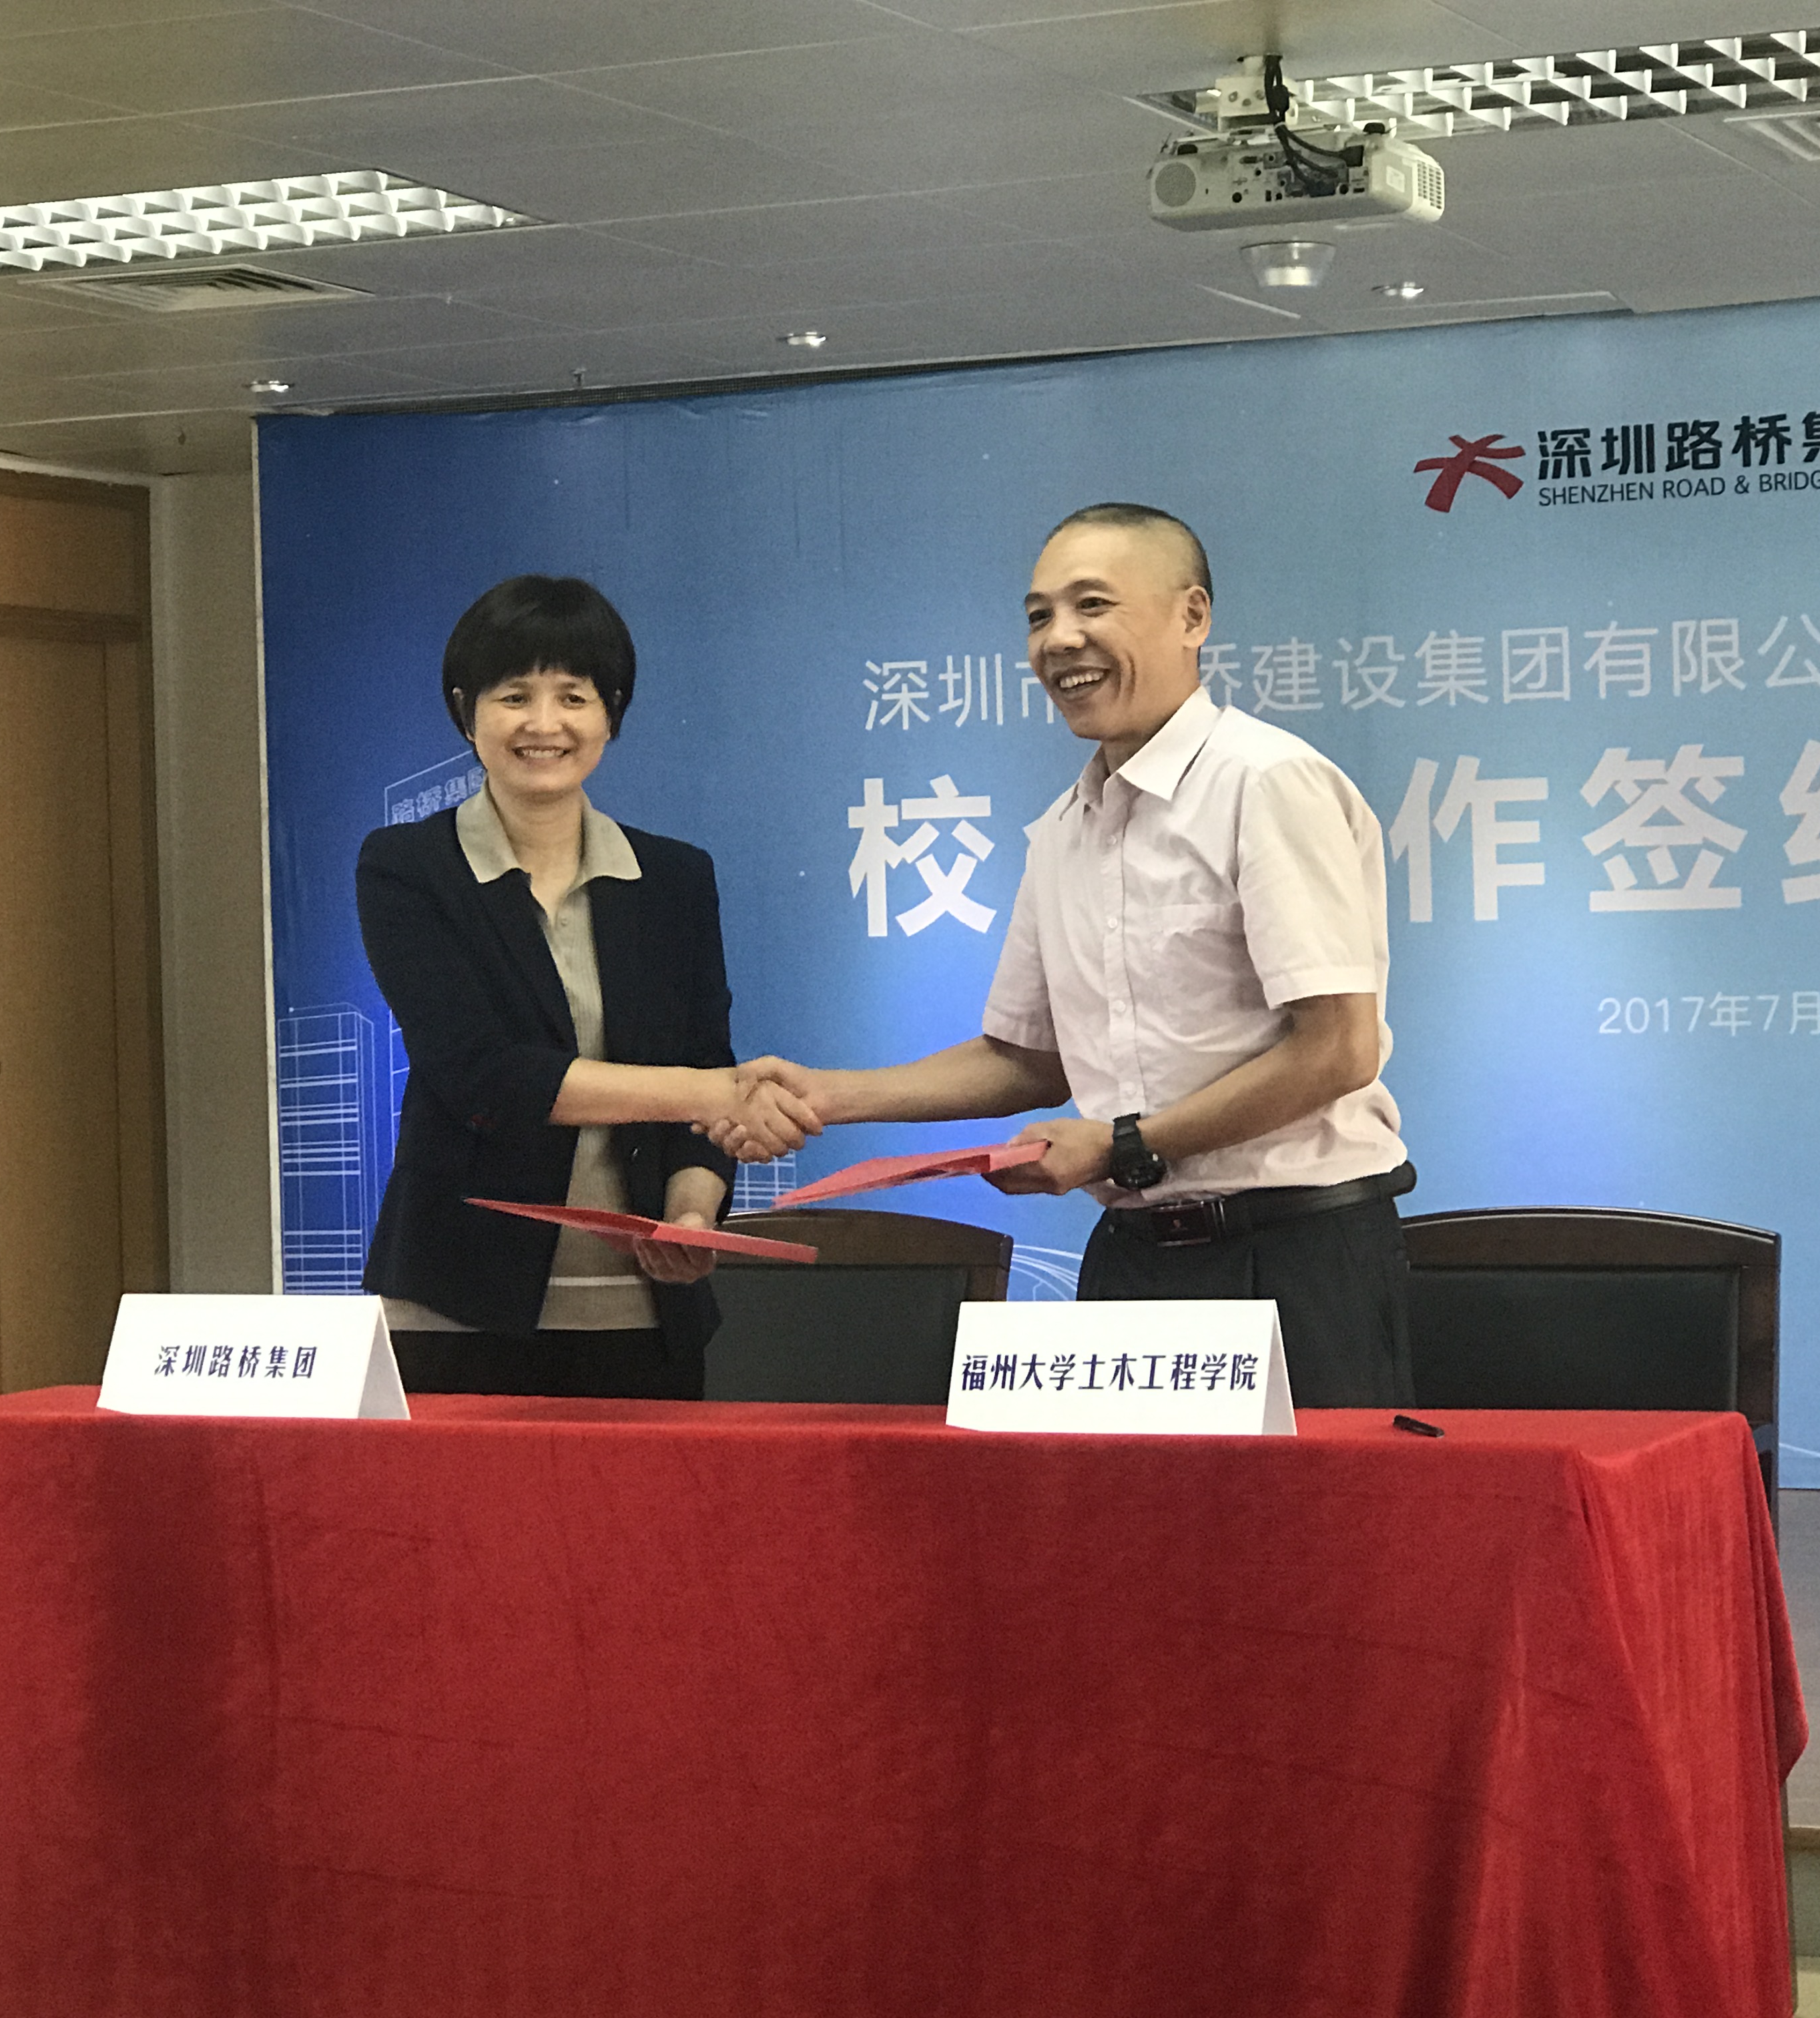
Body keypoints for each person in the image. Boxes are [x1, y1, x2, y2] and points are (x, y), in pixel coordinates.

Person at [725, 504, 1416, 1407]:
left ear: (1192, 616)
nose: (1059, 640)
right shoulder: (1063, 829)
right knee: (1113, 1507)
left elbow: (1339, 1048)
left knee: (1309, 1507)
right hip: (1133, 1263)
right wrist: (830, 1097)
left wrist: (1123, 1146)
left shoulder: (1266, 782)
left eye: (1092, 605)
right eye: (1038, 616)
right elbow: (1028, 1059)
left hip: (1293, 1256)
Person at [358, 575, 813, 1398]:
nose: (545, 724)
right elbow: (483, 1075)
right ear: (466, 711)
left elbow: (705, 1065)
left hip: (645, 1316)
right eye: (514, 696)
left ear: (612, 713)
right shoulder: (408, 869)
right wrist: (716, 1091)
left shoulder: (674, 879)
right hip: (456, 1310)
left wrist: (691, 1213)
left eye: (574, 696)